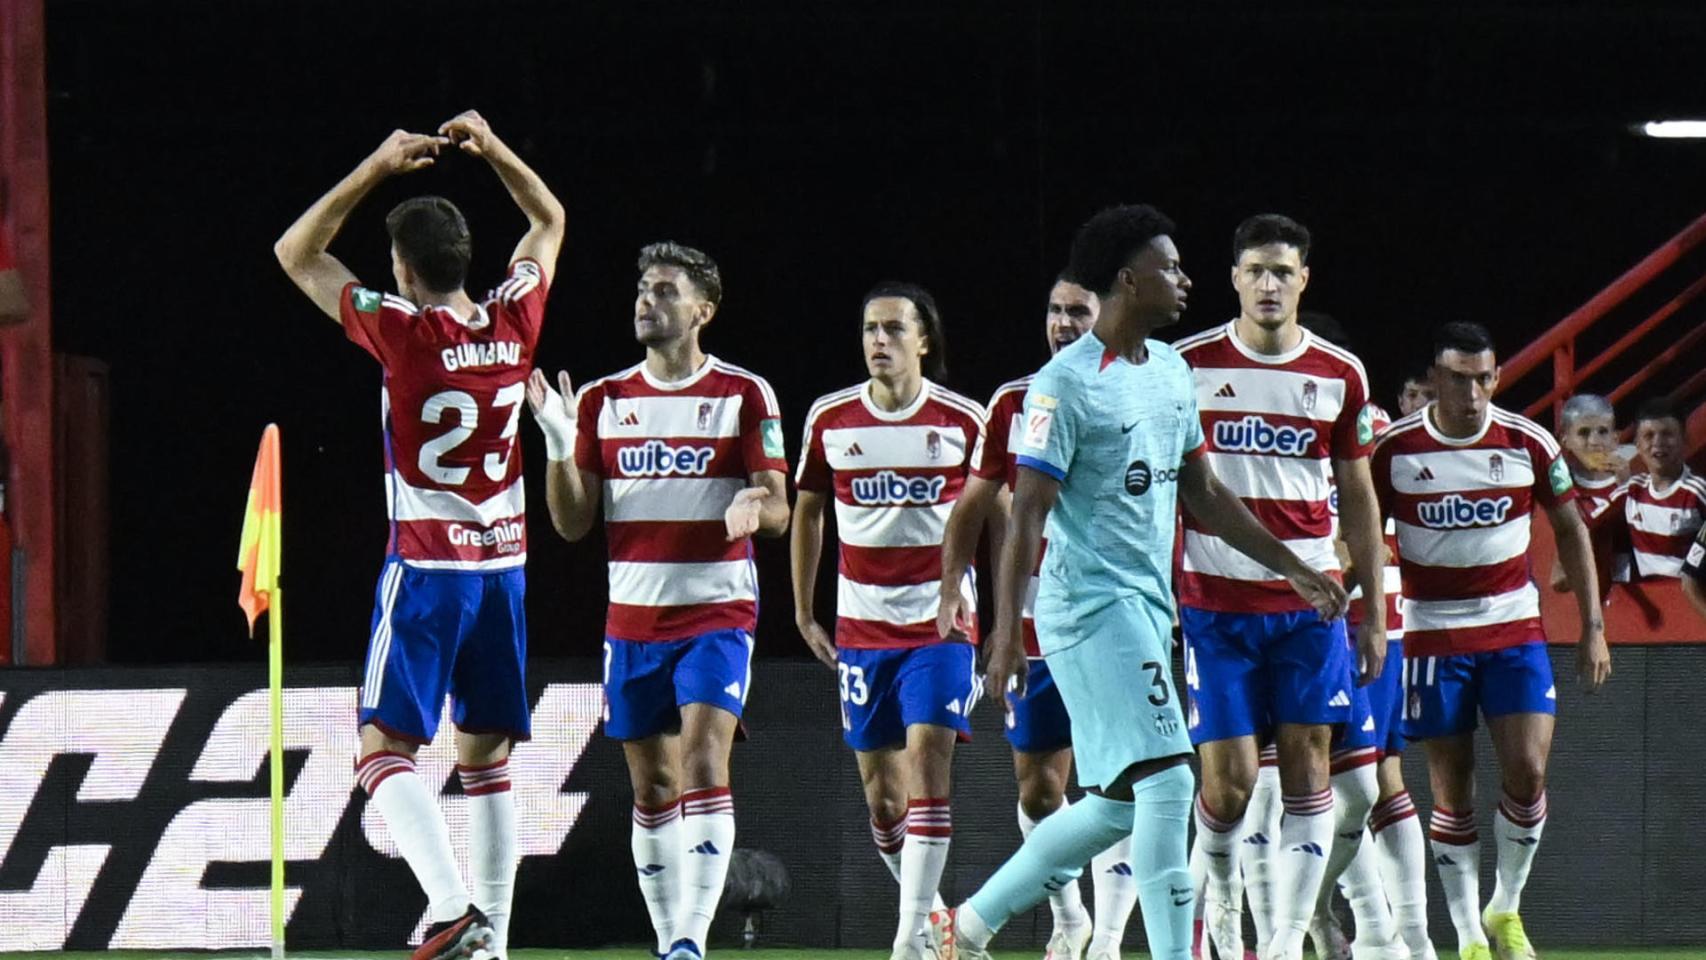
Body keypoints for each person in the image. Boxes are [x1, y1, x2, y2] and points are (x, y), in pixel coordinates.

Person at [936, 203, 1347, 960]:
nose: (1185, 279)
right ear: (1129, 279)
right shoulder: (1062, 385)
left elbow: (1206, 493)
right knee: (1170, 781)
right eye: (1170, 266)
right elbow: (1026, 514)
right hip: (1090, 609)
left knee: (1120, 803)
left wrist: (1295, 567)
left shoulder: (1169, 371)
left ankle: (962, 929)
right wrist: (1006, 633)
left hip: (1149, 608)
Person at [274, 112, 565, 960]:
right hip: (504, 567)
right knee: (486, 760)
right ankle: (493, 945)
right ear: (468, 260)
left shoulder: (403, 333)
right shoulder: (513, 323)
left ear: (402, 269)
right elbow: (548, 220)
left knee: (381, 750)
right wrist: (496, 147)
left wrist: (375, 166)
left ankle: (447, 905)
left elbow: (296, 253)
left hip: (429, 568)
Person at [525, 242, 790, 960]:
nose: (648, 300)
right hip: (633, 621)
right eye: (643, 288)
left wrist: (754, 506)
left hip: (716, 613)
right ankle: (672, 933)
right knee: (652, 787)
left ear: (704, 310)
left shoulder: (744, 394)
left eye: (667, 290)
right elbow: (572, 522)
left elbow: (779, 506)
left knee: (703, 761)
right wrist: (557, 444)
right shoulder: (601, 400)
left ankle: (689, 938)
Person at [1172, 215, 1388, 960]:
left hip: (1310, 612)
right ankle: (1221, 895)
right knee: (1229, 784)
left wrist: (1374, 613)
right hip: (1216, 606)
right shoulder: (1187, 366)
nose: (1269, 284)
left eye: (1283, 272)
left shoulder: (1339, 373)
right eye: (1257, 270)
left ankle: (1288, 939)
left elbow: (1359, 497)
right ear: (1234, 277)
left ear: (1304, 280)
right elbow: (1179, 489)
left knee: (1309, 769)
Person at [1371, 321, 1612, 960]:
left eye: (1483, 378)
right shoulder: (1394, 450)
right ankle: (1469, 936)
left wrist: (1592, 625)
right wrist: (1365, 613)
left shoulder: (1527, 441)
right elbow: (1363, 536)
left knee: (1528, 772)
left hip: (1514, 629)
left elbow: (1572, 530)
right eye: (1459, 379)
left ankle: (1505, 905)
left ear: (1497, 377)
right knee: (1451, 789)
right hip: (1431, 633)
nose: (1473, 393)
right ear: (1435, 379)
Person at [938, 276, 1143, 960]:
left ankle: (1107, 941)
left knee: (1118, 785)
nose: (1062, 322)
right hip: (1035, 630)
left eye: (1077, 311)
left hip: (1115, 624)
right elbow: (971, 507)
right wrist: (957, 594)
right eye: (1054, 310)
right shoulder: (1013, 402)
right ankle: (1070, 916)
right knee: (1039, 790)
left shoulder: (1143, 390)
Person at [792, 282, 986, 960]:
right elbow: (809, 511)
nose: (879, 340)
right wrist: (802, 612)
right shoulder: (831, 418)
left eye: (894, 329)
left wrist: (1003, 618)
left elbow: (1002, 514)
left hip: (941, 626)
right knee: (883, 799)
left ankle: (908, 941)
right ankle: (933, 922)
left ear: (924, 340)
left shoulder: (963, 419)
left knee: (928, 763)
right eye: (871, 328)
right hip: (862, 629)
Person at [1594, 398, 1705, 580]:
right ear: (1637, 445)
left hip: (1691, 594)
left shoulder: (1697, 492)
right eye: (1648, 436)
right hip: (1649, 593)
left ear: (1684, 440)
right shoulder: (1631, 491)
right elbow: (1586, 525)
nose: (1658, 442)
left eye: (1667, 434)